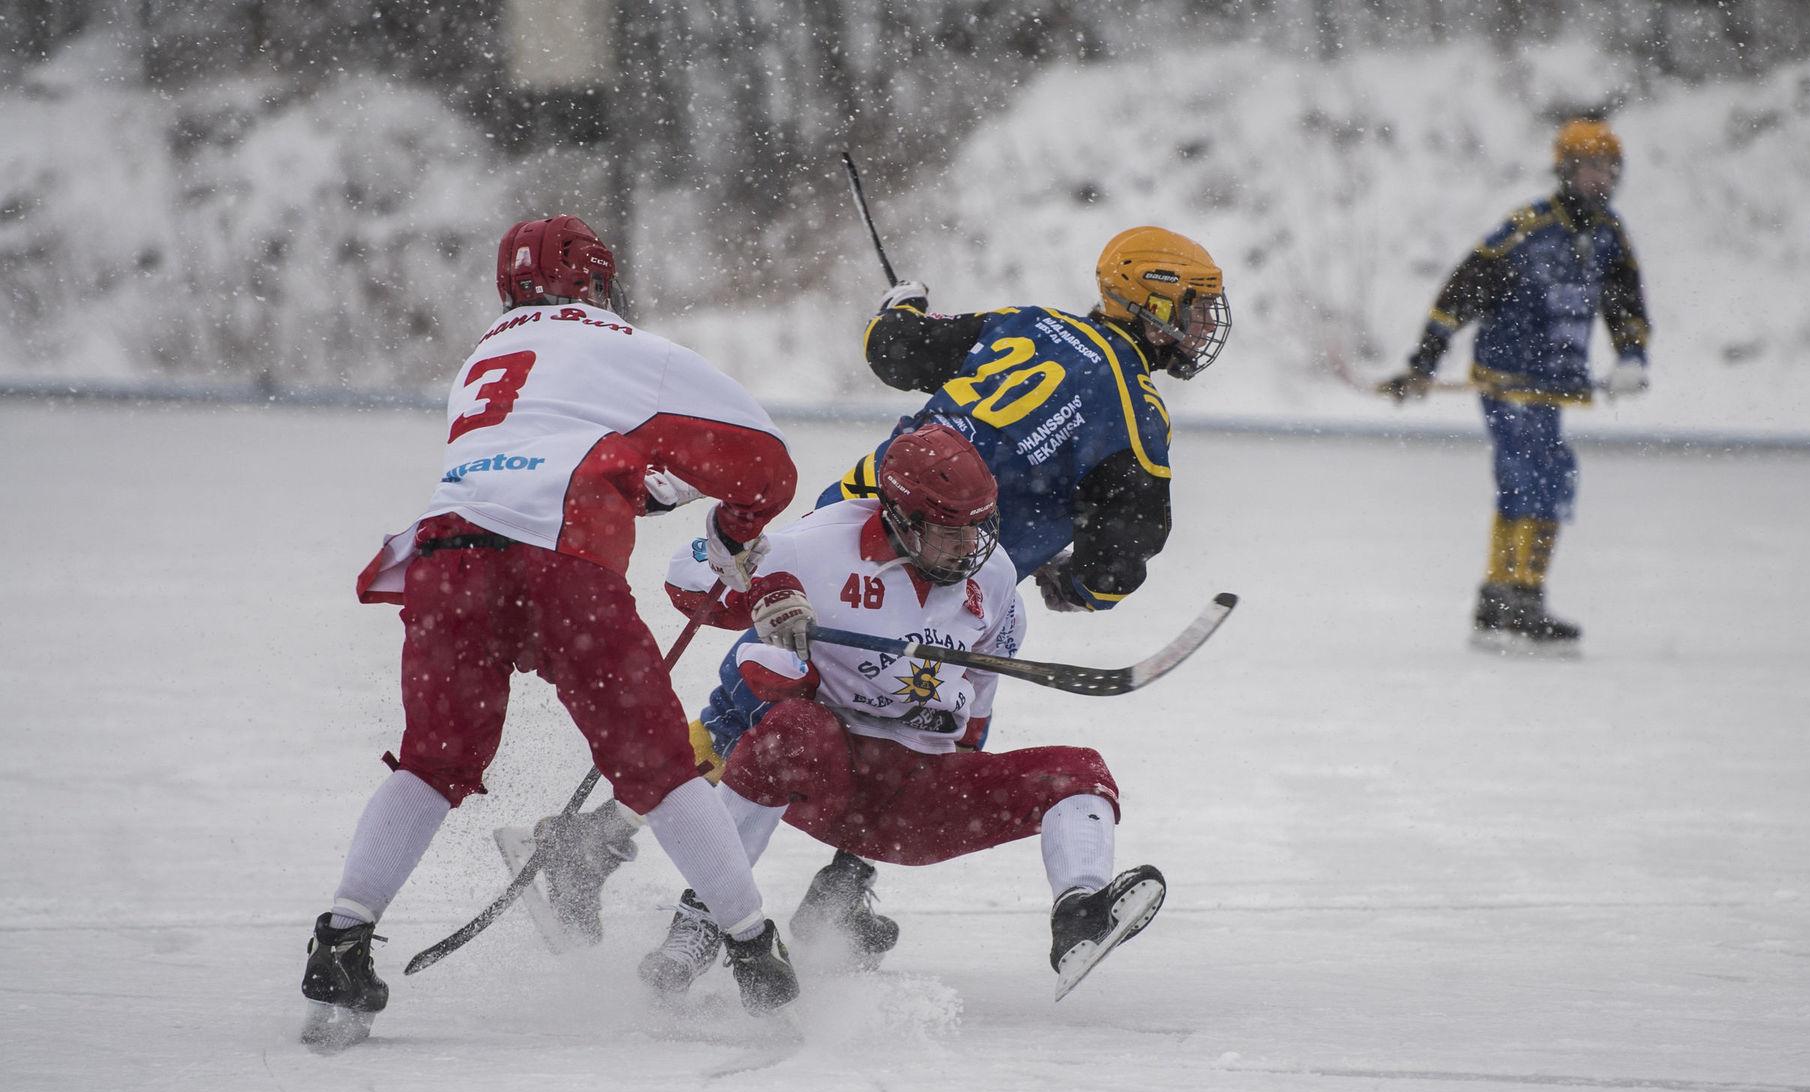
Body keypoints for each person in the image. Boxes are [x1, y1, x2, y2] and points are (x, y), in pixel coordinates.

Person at [523, 226, 1228, 965]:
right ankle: (613, 854)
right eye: (1195, 309)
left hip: (855, 521)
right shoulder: (1136, 412)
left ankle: (804, 884)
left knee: (828, 713)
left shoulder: (1029, 323)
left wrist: (902, 308)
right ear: (1148, 300)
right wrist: (1081, 584)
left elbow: (895, 352)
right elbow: (1129, 548)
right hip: (949, 575)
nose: (1205, 327)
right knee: (890, 719)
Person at [298, 214, 802, 1049]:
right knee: (659, 770)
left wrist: (643, 487)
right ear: (600, 282)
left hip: (447, 557)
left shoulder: (484, 357)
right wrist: (736, 524)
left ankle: (343, 939)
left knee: (433, 762)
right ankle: (755, 952)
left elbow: (544, 445)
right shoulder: (623, 345)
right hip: (561, 567)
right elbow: (765, 462)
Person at [636, 424, 1167, 1000]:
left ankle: (1081, 914)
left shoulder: (993, 578)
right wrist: (769, 589)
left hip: (918, 795)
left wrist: (959, 774)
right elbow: (686, 576)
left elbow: (979, 697)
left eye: (978, 529)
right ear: (901, 519)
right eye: (949, 533)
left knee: (1081, 772)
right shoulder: (818, 542)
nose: (970, 548)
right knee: (794, 728)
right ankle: (704, 919)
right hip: (830, 779)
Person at [1378, 118, 1652, 648]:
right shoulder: (1526, 229)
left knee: (1548, 476)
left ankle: (1505, 596)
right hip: (1506, 377)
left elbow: (1626, 304)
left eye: (1609, 168)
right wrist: (1425, 361)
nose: (1601, 179)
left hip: (1556, 382)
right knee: (1531, 475)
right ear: (1567, 169)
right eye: (1592, 167)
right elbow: (1460, 293)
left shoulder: (1608, 236)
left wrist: (1632, 357)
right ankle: (1516, 597)